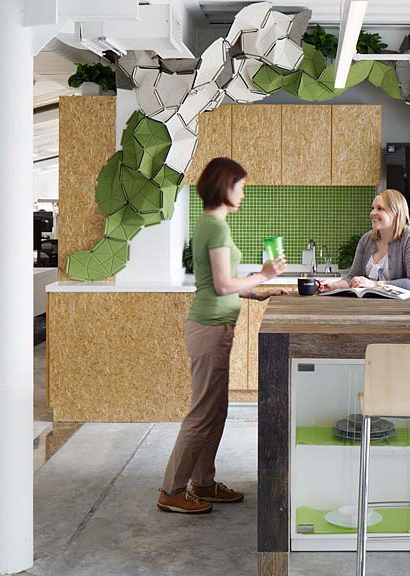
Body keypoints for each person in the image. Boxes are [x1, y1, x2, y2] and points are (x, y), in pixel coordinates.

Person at [158, 157, 286, 514]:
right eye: (240, 186)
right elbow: (221, 283)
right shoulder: (215, 228)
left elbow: (221, 286)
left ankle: (203, 483)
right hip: (209, 329)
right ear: (225, 186)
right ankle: (171, 490)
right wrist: (264, 275)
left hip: (215, 327)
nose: (243, 193)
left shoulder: (210, 224)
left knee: (215, 411)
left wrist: (257, 293)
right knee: (203, 413)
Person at [319, 188, 410, 294]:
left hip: (396, 308)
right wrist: (333, 285)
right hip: (366, 306)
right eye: (373, 208)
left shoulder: (409, 238)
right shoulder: (366, 239)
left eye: (380, 209)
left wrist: (375, 284)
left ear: (396, 213)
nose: (373, 213)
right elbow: (352, 277)